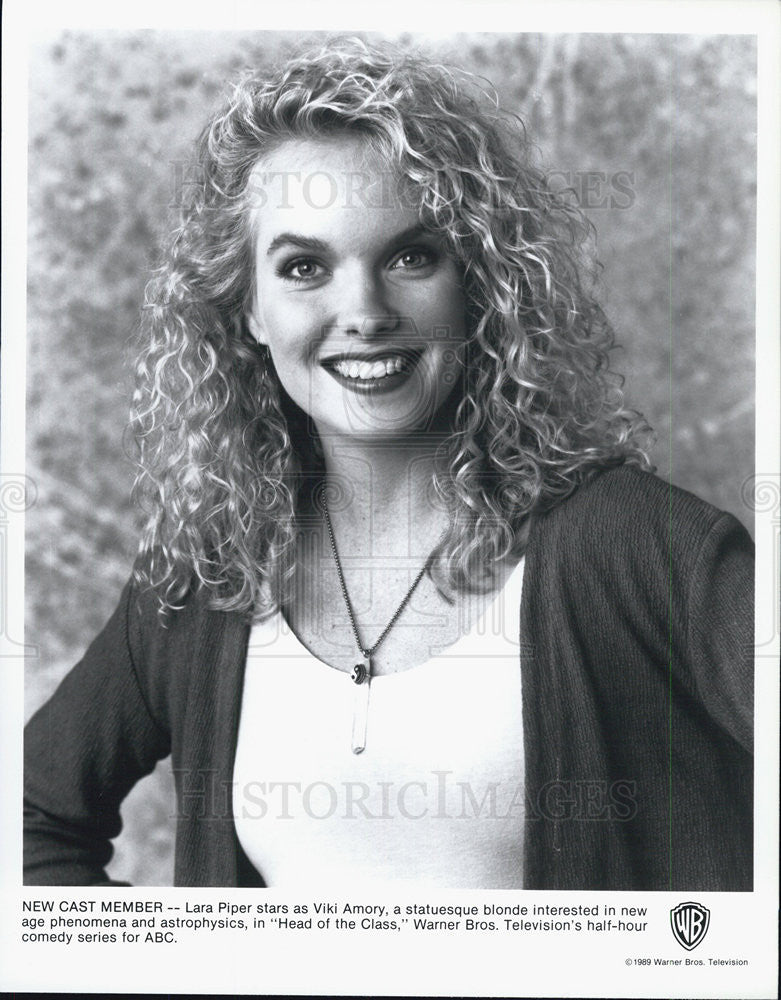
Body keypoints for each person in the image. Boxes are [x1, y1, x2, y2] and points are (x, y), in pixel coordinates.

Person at [24, 38, 753, 890]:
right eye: (303, 267)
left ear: (481, 283)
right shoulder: (207, 572)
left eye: (410, 257)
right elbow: (28, 825)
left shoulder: (643, 548)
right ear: (247, 311)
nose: (362, 312)